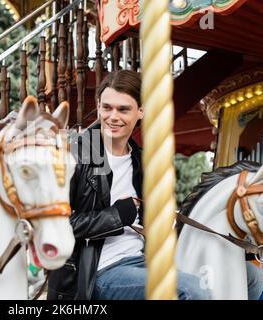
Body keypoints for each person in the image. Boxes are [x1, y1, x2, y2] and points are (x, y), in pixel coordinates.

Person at [47, 70, 211, 300]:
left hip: (143, 259)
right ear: (99, 106)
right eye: (107, 108)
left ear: (141, 111)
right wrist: (116, 216)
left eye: (123, 109)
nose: (113, 117)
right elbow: (53, 225)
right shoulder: (75, 153)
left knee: (247, 277)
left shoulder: (142, 161)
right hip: (98, 271)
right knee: (193, 290)